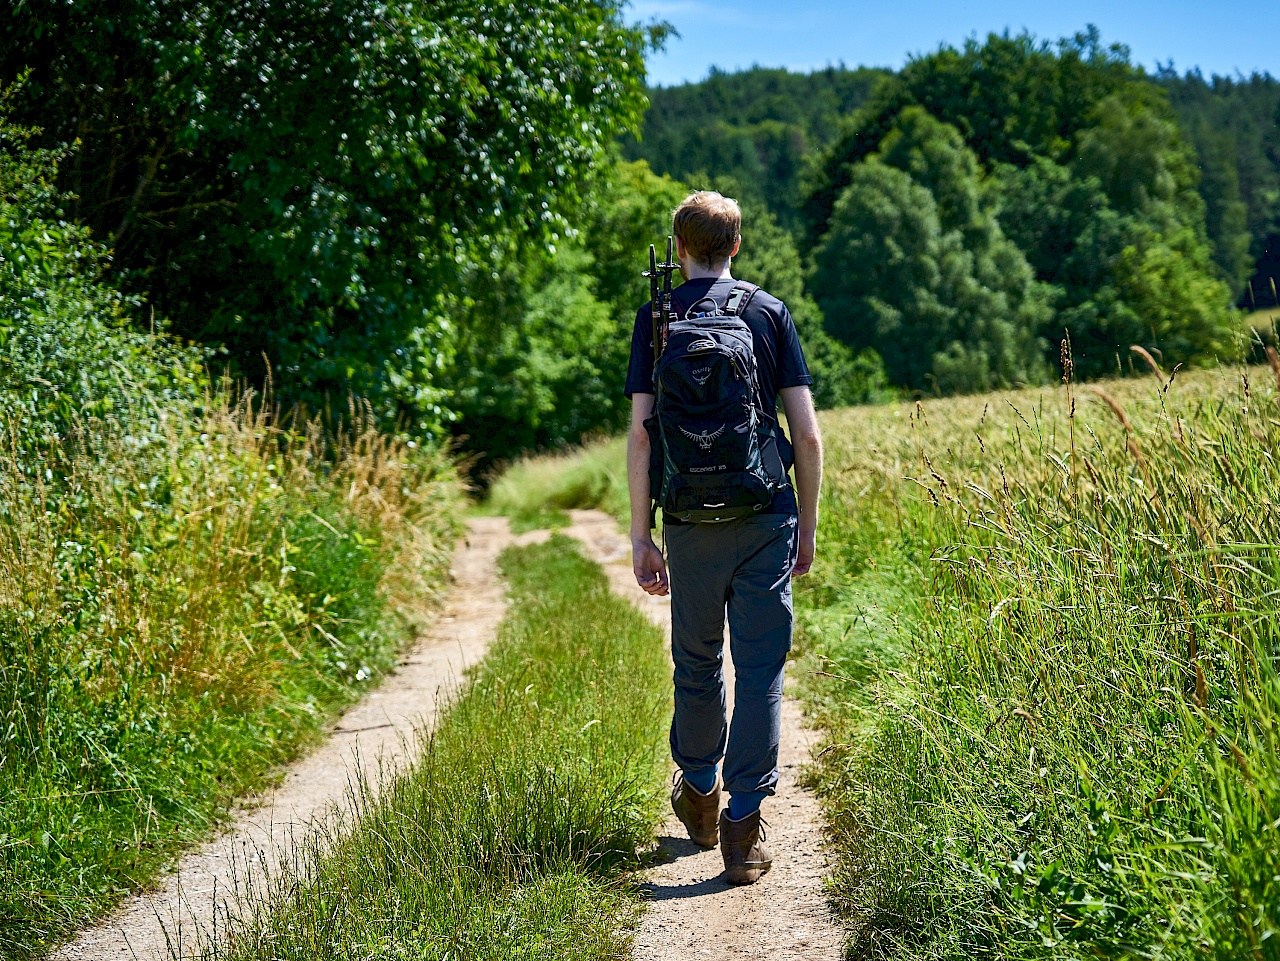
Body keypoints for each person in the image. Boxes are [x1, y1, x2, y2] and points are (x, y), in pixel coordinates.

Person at [624, 190, 824, 885]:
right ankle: (744, 830)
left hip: (686, 517)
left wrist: (641, 534)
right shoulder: (768, 313)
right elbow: (805, 434)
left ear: (679, 249)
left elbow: (641, 438)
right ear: (735, 246)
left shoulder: (656, 319)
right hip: (765, 512)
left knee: (697, 661)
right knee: (761, 665)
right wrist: (807, 526)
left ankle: (700, 794)